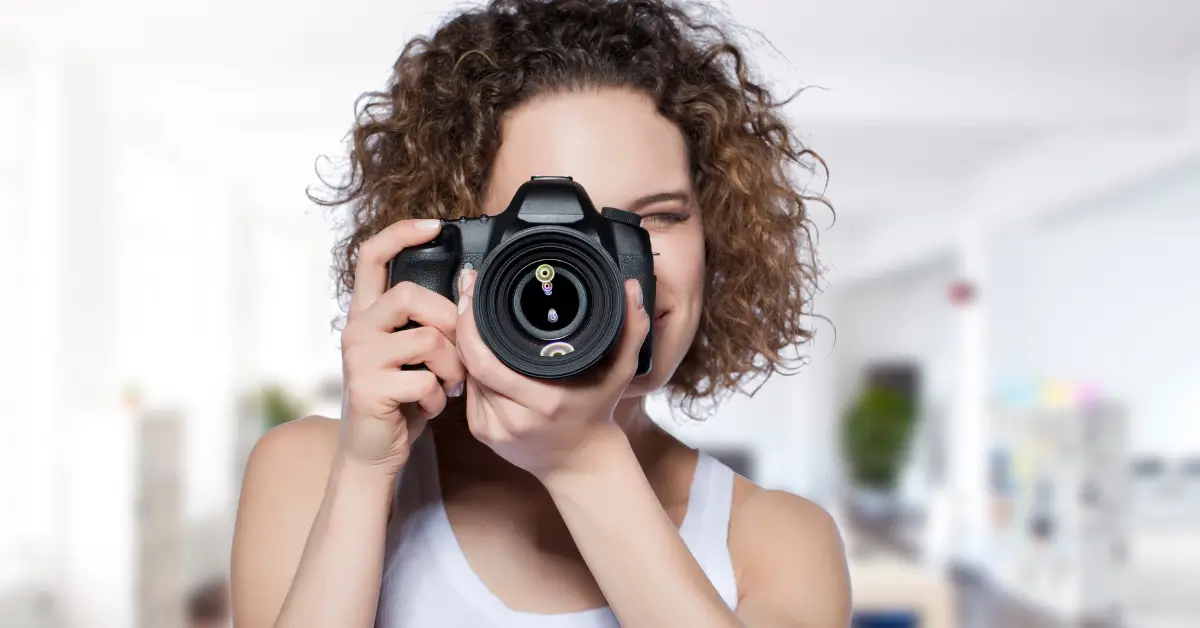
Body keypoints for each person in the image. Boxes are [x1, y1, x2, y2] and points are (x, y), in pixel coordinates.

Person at [230, 0, 851, 626]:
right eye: (553, 232)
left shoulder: (778, 540)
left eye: (658, 216)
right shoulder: (314, 471)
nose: (602, 268)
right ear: (455, 254)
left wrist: (582, 459)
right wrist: (365, 476)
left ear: (717, 233)